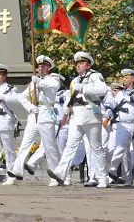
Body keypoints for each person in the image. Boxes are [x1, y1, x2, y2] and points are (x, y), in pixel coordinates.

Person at [47, 52, 109, 188]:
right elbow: (71, 97)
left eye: (81, 63)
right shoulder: (74, 80)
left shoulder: (95, 76)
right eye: (77, 64)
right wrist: (66, 110)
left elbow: (102, 90)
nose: (78, 66)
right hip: (76, 116)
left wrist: (83, 88)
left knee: (96, 148)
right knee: (70, 145)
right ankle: (60, 173)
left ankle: (102, 178)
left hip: (91, 115)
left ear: (88, 65)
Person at [11, 55, 61, 181]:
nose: (40, 67)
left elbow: (54, 86)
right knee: (25, 144)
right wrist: (29, 106)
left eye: (43, 65)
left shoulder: (52, 79)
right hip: (33, 115)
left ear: (49, 68)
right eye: (39, 65)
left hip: (46, 113)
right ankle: (17, 170)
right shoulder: (33, 83)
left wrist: (40, 82)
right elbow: (21, 97)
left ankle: (56, 174)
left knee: (49, 146)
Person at [107, 68, 134, 187]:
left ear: (133, 79)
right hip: (123, 124)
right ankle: (112, 169)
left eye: (126, 78)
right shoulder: (120, 93)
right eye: (123, 77)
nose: (124, 80)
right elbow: (114, 105)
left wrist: (132, 98)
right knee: (119, 148)